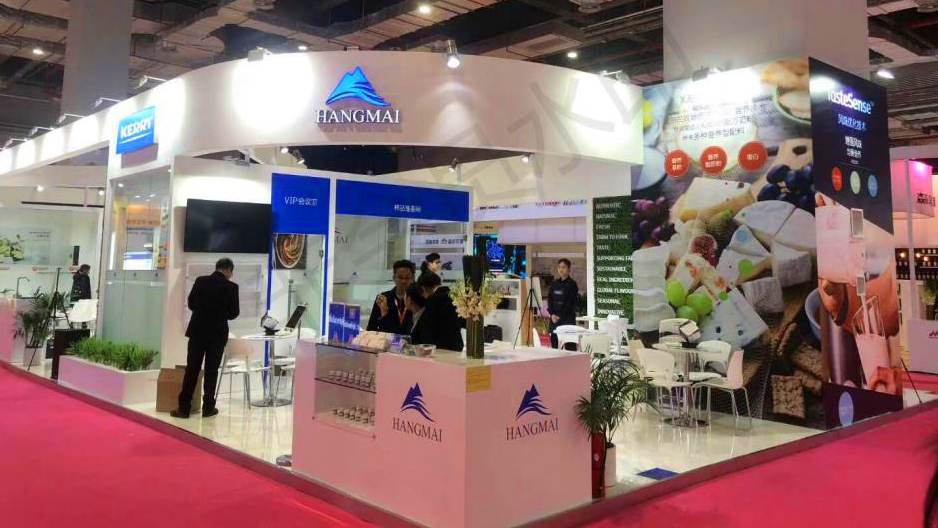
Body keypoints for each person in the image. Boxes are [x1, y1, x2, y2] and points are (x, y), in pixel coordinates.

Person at [172, 258, 239, 419]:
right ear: (228, 270)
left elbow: (191, 304)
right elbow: (233, 313)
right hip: (217, 334)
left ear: (217, 268)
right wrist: (220, 313)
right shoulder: (232, 287)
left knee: (192, 369)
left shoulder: (201, 281)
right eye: (231, 272)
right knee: (211, 371)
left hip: (197, 332)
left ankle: (184, 408)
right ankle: (208, 407)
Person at [413, 271, 463, 351]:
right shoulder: (455, 296)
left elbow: (428, 328)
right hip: (456, 345)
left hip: (440, 347)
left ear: (423, 288)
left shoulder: (433, 300)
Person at [366, 260, 415, 334]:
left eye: (407, 278)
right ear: (394, 278)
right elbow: (371, 328)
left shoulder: (417, 300)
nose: (403, 281)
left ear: (413, 278)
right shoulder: (383, 298)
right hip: (386, 340)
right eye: (400, 277)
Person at [548, 258, 579, 349]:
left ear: (569, 269)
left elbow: (570, 302)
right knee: (555, 346)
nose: (561, 269)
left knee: (570, 346)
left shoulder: (572, 284)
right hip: (554, 320)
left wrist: (559, 316)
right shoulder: (554, 283)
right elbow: (550, 300)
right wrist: (552, 314)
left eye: (564, 267)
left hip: (567, 319)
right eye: (559, 267)